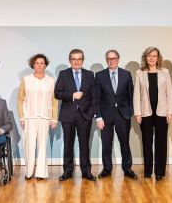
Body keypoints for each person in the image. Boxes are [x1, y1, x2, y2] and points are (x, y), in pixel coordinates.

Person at [55, 49, 97, 181]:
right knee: (68, 144)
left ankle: (86, 171)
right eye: (74, 59)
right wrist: (72, 96)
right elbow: (57, 93)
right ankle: (67, 171)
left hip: (85, 115)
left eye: (79, 59)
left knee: (84, 144)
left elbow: (94, 96)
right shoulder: (63, 74)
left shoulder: (90, 74)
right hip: (68, 114)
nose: (76, 61)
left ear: (83, 61)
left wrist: (91, 112)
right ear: (69, 61)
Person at [95, 50, 137, 179]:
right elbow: (96, 98)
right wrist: (98, 117)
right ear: (106, 60)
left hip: (123, 115)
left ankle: (127, 168)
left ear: (118, 59)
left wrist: (130, 111)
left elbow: (131, 95)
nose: (111, 60)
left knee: (124, 143)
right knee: (106, 143)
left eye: (113, 58)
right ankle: (107, 168)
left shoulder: (126, 74)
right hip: (105, 115)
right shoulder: (99, 75)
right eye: (108, 59)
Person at [133, 47, 172, 181]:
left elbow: (169, 92)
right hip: (145, 111)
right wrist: (137, 113)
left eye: (154, 56)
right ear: (145, 58)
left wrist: (170, 111)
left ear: (158, 58)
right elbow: (137, 94)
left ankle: (159, 172)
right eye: (149, 56)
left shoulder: (165, 72)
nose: (151, 58)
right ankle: (148, 170)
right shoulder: (139, 73)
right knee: (147, 141)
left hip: (162, 111)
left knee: (161, 142)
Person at [17, 54, 58, 180]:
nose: (39, 65)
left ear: (45, 65)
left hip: (45, 117)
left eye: (42, 63)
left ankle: (41, 173)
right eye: (37, 63)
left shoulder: (51, 81)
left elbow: (54, 100)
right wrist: (22, 118)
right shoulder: (26, 79)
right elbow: (20, 99)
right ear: (33, 65)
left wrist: (54, 118)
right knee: (29, 145)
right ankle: (29, 172)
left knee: (42, 146)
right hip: (29, 117)